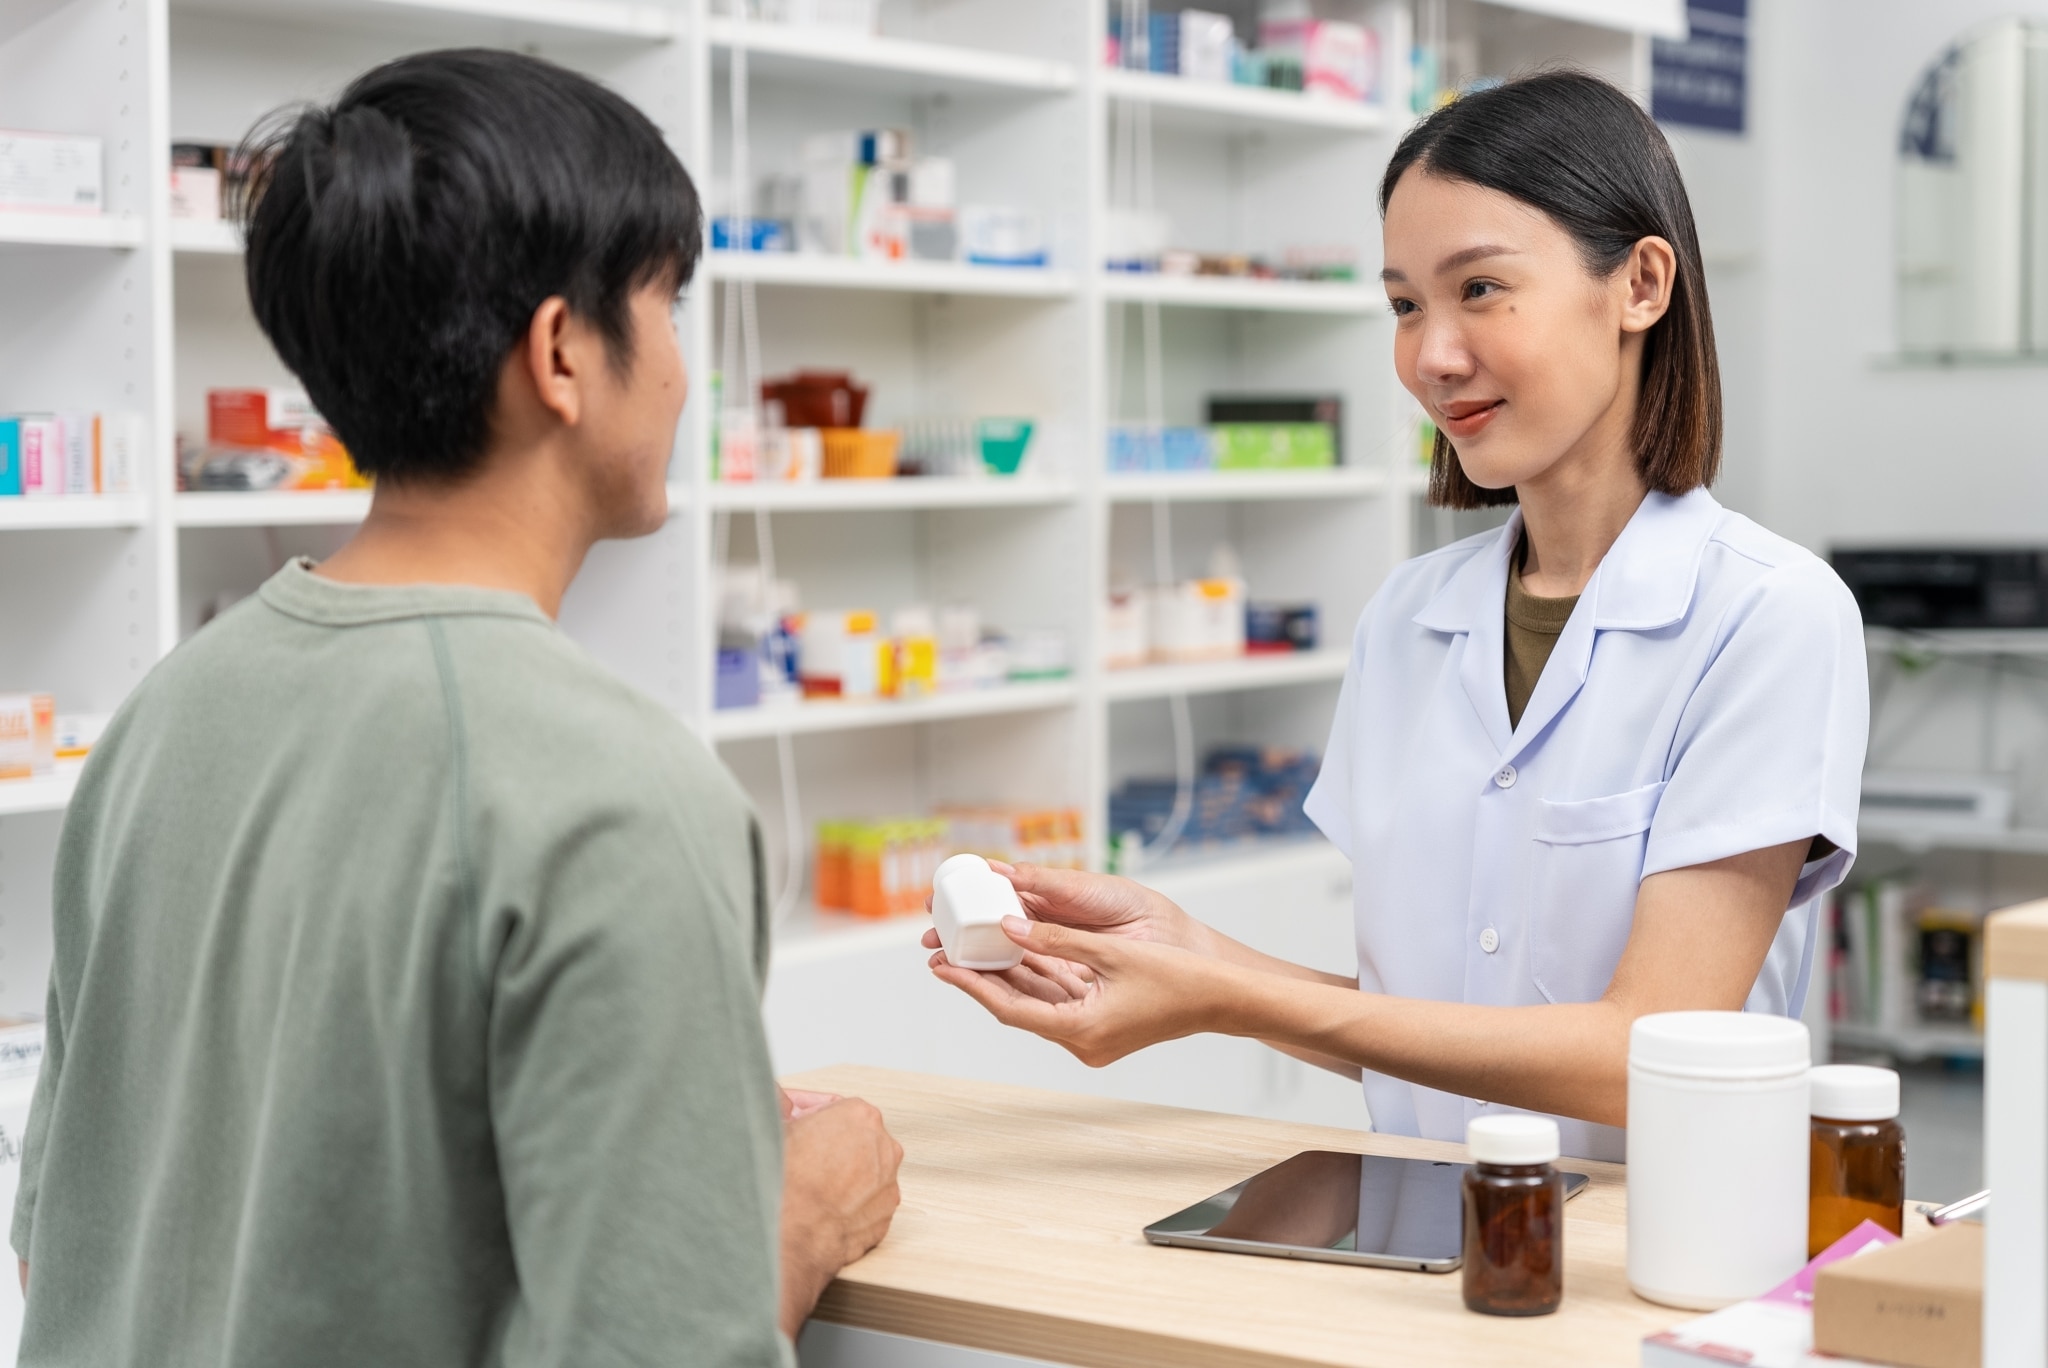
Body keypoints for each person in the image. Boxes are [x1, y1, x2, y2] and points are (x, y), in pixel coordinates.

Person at [10, 49, 899, 1366]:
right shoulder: (615, 795)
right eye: (668, 306)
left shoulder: (162, 720)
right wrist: (794, 1228)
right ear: (561, 354)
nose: (681, 371)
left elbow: (67, 1235)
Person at [926, 71, 1867, 1162]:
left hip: (1660, 1263)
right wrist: (1192, 956)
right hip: (1429, 1237)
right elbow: (1424, 1020)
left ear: (1640, 284)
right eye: (1404, 304)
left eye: (1479, 290)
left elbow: (1639, 1052)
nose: (1431, 355)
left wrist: (1227, 997)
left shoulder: (1767, 616)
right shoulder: (1408, 619)